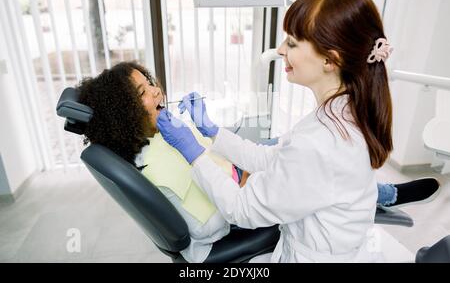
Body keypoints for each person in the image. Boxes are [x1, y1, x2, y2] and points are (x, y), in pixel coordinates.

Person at [156, 0, 440, 262]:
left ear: (331, 59)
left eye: (292, 42)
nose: (280, 50)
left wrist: (193, 151)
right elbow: (272, 157)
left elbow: (241, 210)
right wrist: (213, 132)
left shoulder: (321, 141)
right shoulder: (340, 110)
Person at [77, 61, 438, 263]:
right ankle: (379, 194)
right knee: (308, 166)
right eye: (143, 92)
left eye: (151, 82)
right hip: (235, 196)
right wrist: (235, 172)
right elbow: (210, 226)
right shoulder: (156, 166)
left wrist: (208, 132)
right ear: (123, 114)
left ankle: (381, 192)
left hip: (231, 173)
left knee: (290, 151)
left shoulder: (158, 138)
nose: (157, 91)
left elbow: (204, 159)